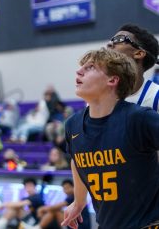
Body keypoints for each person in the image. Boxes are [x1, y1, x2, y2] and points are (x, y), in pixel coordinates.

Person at [62, 48, 159, 229]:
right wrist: (79, 201)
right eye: (81, 67)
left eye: (90, 68)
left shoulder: (139, 119)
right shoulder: (72, 125)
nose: (79, 71)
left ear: (112, 80)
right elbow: (77, 160)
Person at [107, 23, 159, 111]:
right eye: (111, 40)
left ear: (139, 53)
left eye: (119, 39)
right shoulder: (97, 96)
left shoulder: (155, 97)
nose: (109, 44)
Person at [20, 179, 90, 229]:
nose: (66, 190)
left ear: (73, 187)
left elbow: (58, 206)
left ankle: (38, 227)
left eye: (68, 188)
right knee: (56, 212)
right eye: (64, 188)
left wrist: (43, 209)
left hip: (81, 224)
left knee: (54, 211)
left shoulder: (74, 196)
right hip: (76, 221)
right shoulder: (71, 196)